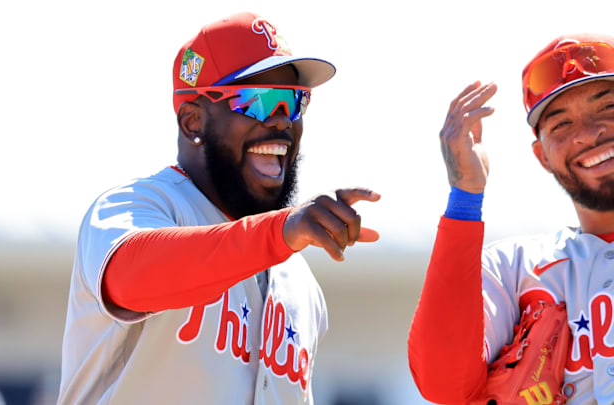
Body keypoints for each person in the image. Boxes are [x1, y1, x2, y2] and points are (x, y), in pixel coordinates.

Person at [56, 12, 381, 405]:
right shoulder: (138, 206)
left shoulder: (301, 285)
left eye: (293, 102)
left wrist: (280, 236)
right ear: (193, 122)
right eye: (258, 101)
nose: (281, 119)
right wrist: (279, 232)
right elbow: (129, 277)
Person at [408, 33, 614, 404]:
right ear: (542, 156)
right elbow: (444, 383)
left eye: (608, 108)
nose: (588, 134)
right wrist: (465, 197)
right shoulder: (514, 270)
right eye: (561, 125)